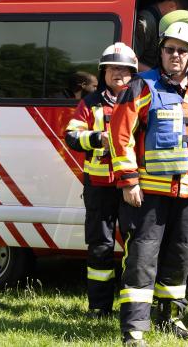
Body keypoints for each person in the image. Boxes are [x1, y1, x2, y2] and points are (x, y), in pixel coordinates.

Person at [110, 10, 188, 347]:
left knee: (181, 258)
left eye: (182, 50)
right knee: (142, 260)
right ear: (160, 51)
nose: (175, 55)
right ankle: (134, 328)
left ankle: (171, 318)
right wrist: (129, 180)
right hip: (149, 194)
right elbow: (121, 136)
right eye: (169, 49)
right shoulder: (142, 85)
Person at [64, 43, 138, 318]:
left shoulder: (140, 99)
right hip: (99, 186)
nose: (119, 73)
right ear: (104, 71)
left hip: (131, 185)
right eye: (114, 68)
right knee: (100, 247)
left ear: (133, 73)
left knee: (136, 244)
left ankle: (133, 306)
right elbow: (71, 136)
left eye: (125, 69)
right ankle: (99, 307)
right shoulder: (90, 103)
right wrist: (97, 138)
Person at [134, 0, 188, 71]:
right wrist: (156, 77)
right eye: (181, 17)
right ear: (172, 5)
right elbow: (131, 61)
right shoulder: (145, 23)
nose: (182, 23)